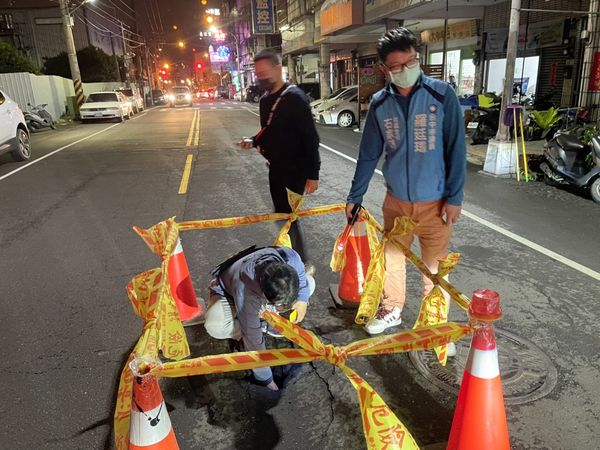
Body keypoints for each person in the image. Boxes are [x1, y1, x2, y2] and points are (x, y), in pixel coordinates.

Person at [345, 27, 466, 336]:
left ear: (418, 58)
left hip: (435, 205)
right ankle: (393, 309)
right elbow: (369, 155)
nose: (405, 70)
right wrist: (355, 196)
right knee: (392, 260)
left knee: (434, 269)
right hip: (396, 203)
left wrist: (454, 198)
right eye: (397, 66)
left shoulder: (441, 95)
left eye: (411, 62)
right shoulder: (379, 104)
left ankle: (434, 326)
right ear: (385, 69)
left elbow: (456, 149)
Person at [237, 49, 320, 270]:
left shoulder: (295, 98)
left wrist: (313, 174)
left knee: (288, 216)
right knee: (281, 214)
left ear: (277, 68)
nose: (261, 77)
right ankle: (294, 256)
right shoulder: (265, 101)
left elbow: (311, 138)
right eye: (258, 73)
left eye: (265, 72)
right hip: (275, 168)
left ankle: (302, 262)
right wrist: (254, 141)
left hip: (295, 169)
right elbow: (270, 131)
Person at [201, 246, 315, 391]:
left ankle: (267, 314)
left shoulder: (290, 257)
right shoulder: (245, 294)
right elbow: (253, 340)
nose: (285, 308)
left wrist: (302, 300)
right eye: (280, 306)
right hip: (228, 291)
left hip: (262, 292)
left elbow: (301, 279)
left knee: (310, 283)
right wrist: (266, 380)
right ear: (266, 297)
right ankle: (263, 324)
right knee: (215, 325)